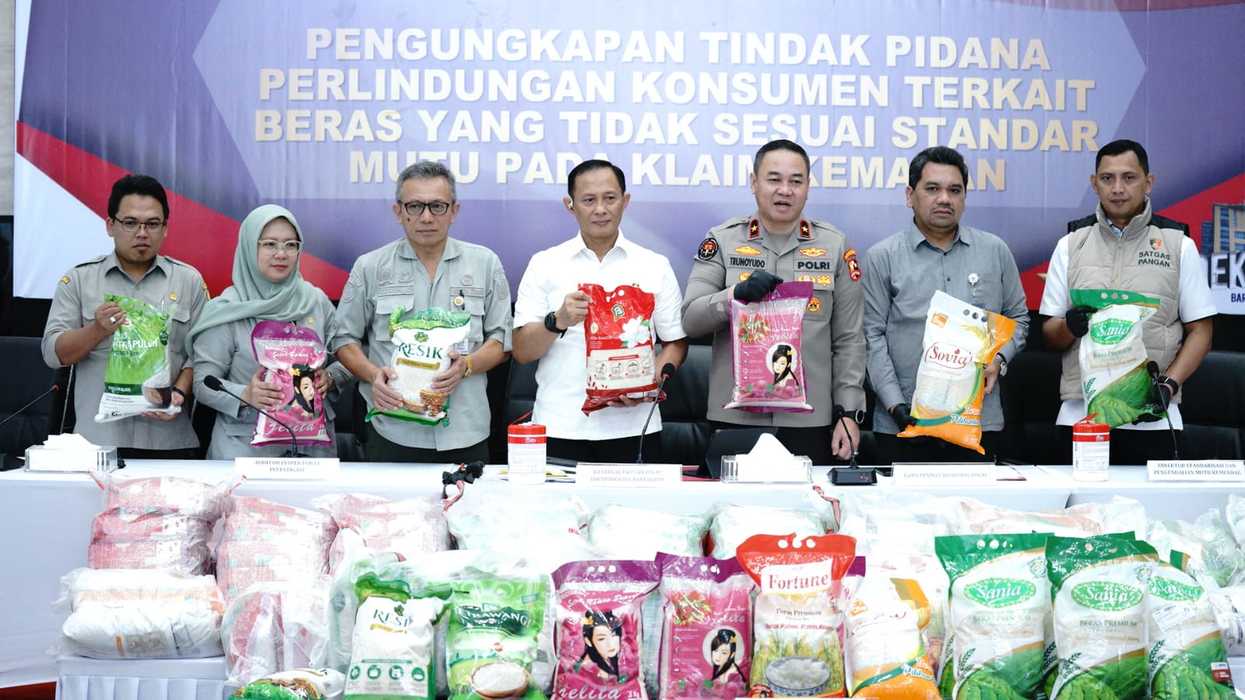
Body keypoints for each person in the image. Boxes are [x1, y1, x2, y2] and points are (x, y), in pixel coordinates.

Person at [681, 139, 866, 465]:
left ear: (808, 187)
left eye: (796, 181)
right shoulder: (722, 240)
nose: (785, 190)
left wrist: (848, 413)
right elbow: (691, 320)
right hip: (735, 415)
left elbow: (849, 340)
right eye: (774, 179)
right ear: (754, 182)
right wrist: (734, 296)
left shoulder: (834, 246)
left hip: (810, 419)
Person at [1039, 139, 1215, 464]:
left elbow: (1201, 330)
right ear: (1095, 184)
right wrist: (1070, 327)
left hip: (1154, 417)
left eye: (1129, 177)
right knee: (1078, 499)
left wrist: (1169, 385)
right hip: (1081, 415)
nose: (1118, 188)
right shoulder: (1070, 244)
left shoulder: (1178, 244)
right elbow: (1050, 334)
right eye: (1107, 178)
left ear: (1148, 182)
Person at [331, 161, 511, 463]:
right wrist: (373, 375)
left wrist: (466, 366)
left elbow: (502, 341)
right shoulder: (370, 267)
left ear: (454, 211)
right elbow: (343, 339)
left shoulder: (485, 263)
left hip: (465, 429)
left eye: (437, 206)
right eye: (415, 206)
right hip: (392, 426)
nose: (426, 217)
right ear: (398, 211)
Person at [861, 146, 1029, 463]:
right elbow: (871, 337)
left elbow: (1019, 318)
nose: (944, 199)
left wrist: (1000, 360)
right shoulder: (883, 257)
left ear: (964, 197)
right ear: (910, 195)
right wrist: (896, 406)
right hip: (903, 422)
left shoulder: (995, 251)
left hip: (977, 422)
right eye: (932, 189)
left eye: (954, 190)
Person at [512, 159, 687, 463]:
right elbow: (523, 351)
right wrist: (557, 321)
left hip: (634, 427)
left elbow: (675, 342)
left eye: (610, 198)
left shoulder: (654, 265)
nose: (601, 209)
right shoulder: (544, 264)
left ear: (625, 201)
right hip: (560, 425)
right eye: (589, 200)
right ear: (570, 205)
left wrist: (647, 384)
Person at [41, 174, 207, 458]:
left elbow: (203, 355)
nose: (142, 233)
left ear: (165, 228)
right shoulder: (80, 280)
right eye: (130, 223)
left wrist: (178, 393)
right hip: (97, 442)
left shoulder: (188, 281)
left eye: (152, 224)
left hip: (168, 440)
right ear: (110, 225)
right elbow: (53, 353)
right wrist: (96, 330)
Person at [186, 205, 349, 458]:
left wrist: (330, 377)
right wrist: (245, 394)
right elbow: (203, 383)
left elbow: (348, 358)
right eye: (270, 244)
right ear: (249, 247)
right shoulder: (226, 309)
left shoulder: (316, 302)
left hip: (313, 449)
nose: (281, 254)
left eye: (290, 245)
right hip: (244, 451)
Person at [576, 610, 623, 682]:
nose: (610, 643)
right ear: (588, 641)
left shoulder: (607, 658)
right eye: (601, 639)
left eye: (614, 635)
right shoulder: (592, 668)